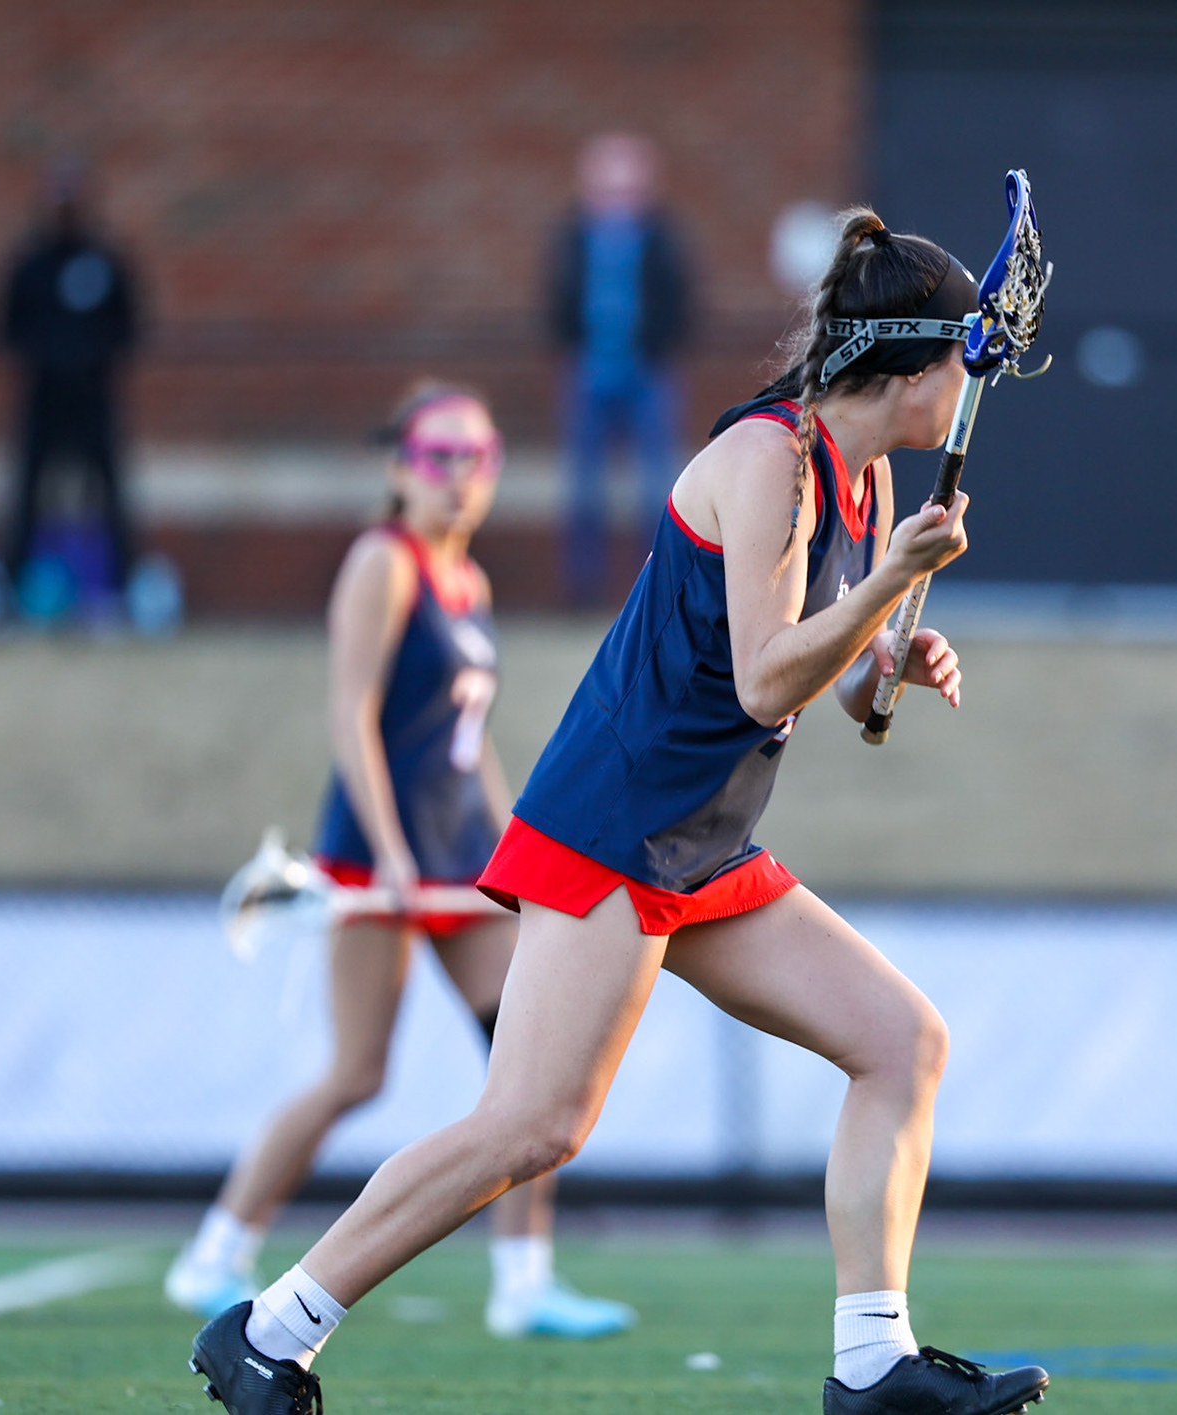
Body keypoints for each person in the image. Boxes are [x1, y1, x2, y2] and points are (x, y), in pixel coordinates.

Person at [188, 213, 1052, 1415]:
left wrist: (890, 658)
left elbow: (827, 668)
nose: (968, 388)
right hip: (623, 819)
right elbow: (763, 677)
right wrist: (897, 582)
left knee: (902, 1042)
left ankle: (872, 1364)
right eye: (959, 363)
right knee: (533, 1123)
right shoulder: (768, 459)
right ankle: (268, 1328)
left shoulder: (867, 475)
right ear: (905, 369)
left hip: (705, 837)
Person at [165, 381, 635, 1343]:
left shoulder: (473, 581)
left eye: (478, 458)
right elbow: (353, 717)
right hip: (379, 861)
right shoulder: (383, 563)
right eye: (437, 458)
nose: (458, 479)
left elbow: (468, 744)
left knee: (533, 1067)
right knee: (356, 1073)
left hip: (462, 861)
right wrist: (384, 854)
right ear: (398, 466)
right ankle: (214, 1251)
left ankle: (522, 1281)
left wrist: (517, 841)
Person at [546, 133, 692, 605]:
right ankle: (582, 590)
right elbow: (556, 296)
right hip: (587, 373)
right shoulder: (571, 236)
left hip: (649, 374)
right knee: (584, 490)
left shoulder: (664, 237)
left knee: (657, 491)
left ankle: (653, 588)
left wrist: (662, 342)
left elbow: (682, 299)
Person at [0, 160, 142, 594]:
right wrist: (50, 356)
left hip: (94, 397)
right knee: (26, 493)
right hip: (44, 396)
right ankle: (13, 585)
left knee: (111, 491)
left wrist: (89, 358)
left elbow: (128, 327)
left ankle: (122, 585)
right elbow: (6, 328)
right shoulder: (29, 265)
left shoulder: (105, 264)